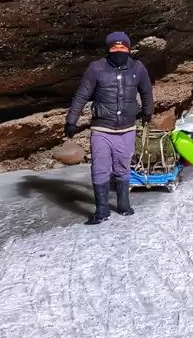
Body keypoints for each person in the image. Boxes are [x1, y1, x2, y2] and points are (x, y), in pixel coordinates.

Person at [65, 32, 153, 225]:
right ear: (108, 49)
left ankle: (123, 204)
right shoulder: (96, 68)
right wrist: (71, 120)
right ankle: (102, 209)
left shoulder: (137, 68)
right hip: (101, 129)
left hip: (127, 128)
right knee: (100, 167)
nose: (119, 51)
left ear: (129, 49)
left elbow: (146, 91)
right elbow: (81, 95)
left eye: (123, 48)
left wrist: (148, 112)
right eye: (114, 48)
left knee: (122, 166)